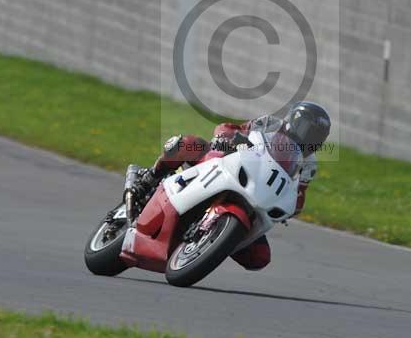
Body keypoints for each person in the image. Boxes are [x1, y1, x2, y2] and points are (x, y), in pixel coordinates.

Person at [129, 101, 331, 271]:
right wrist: (230, 138)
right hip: (227, 161)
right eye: (307, 130)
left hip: (257, 195)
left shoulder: (308, 165)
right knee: (187, 143)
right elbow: (230, 128)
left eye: (315, 136)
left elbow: (298, 194)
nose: (308, 138)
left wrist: (290, 207)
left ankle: (214, 240)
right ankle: (149, 178)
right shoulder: (269, 124)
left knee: (260, 257)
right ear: (293, 121)